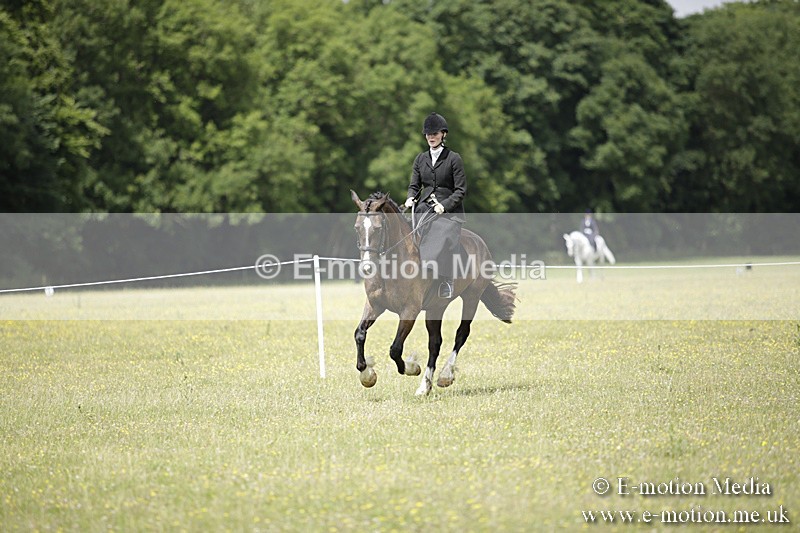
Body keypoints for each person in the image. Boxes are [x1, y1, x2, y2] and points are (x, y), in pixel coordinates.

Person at [405, 112, 466, 299]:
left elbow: (461, 190)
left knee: (442, 235)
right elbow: (415, 186)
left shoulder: (453, 158)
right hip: (425, 208)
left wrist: (444, 206)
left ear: (443, 134)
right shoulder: (420, 159)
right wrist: (410, 198)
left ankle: (447, 278)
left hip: (449, 212)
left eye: (435, 133)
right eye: (428, 134)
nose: (431, 137)